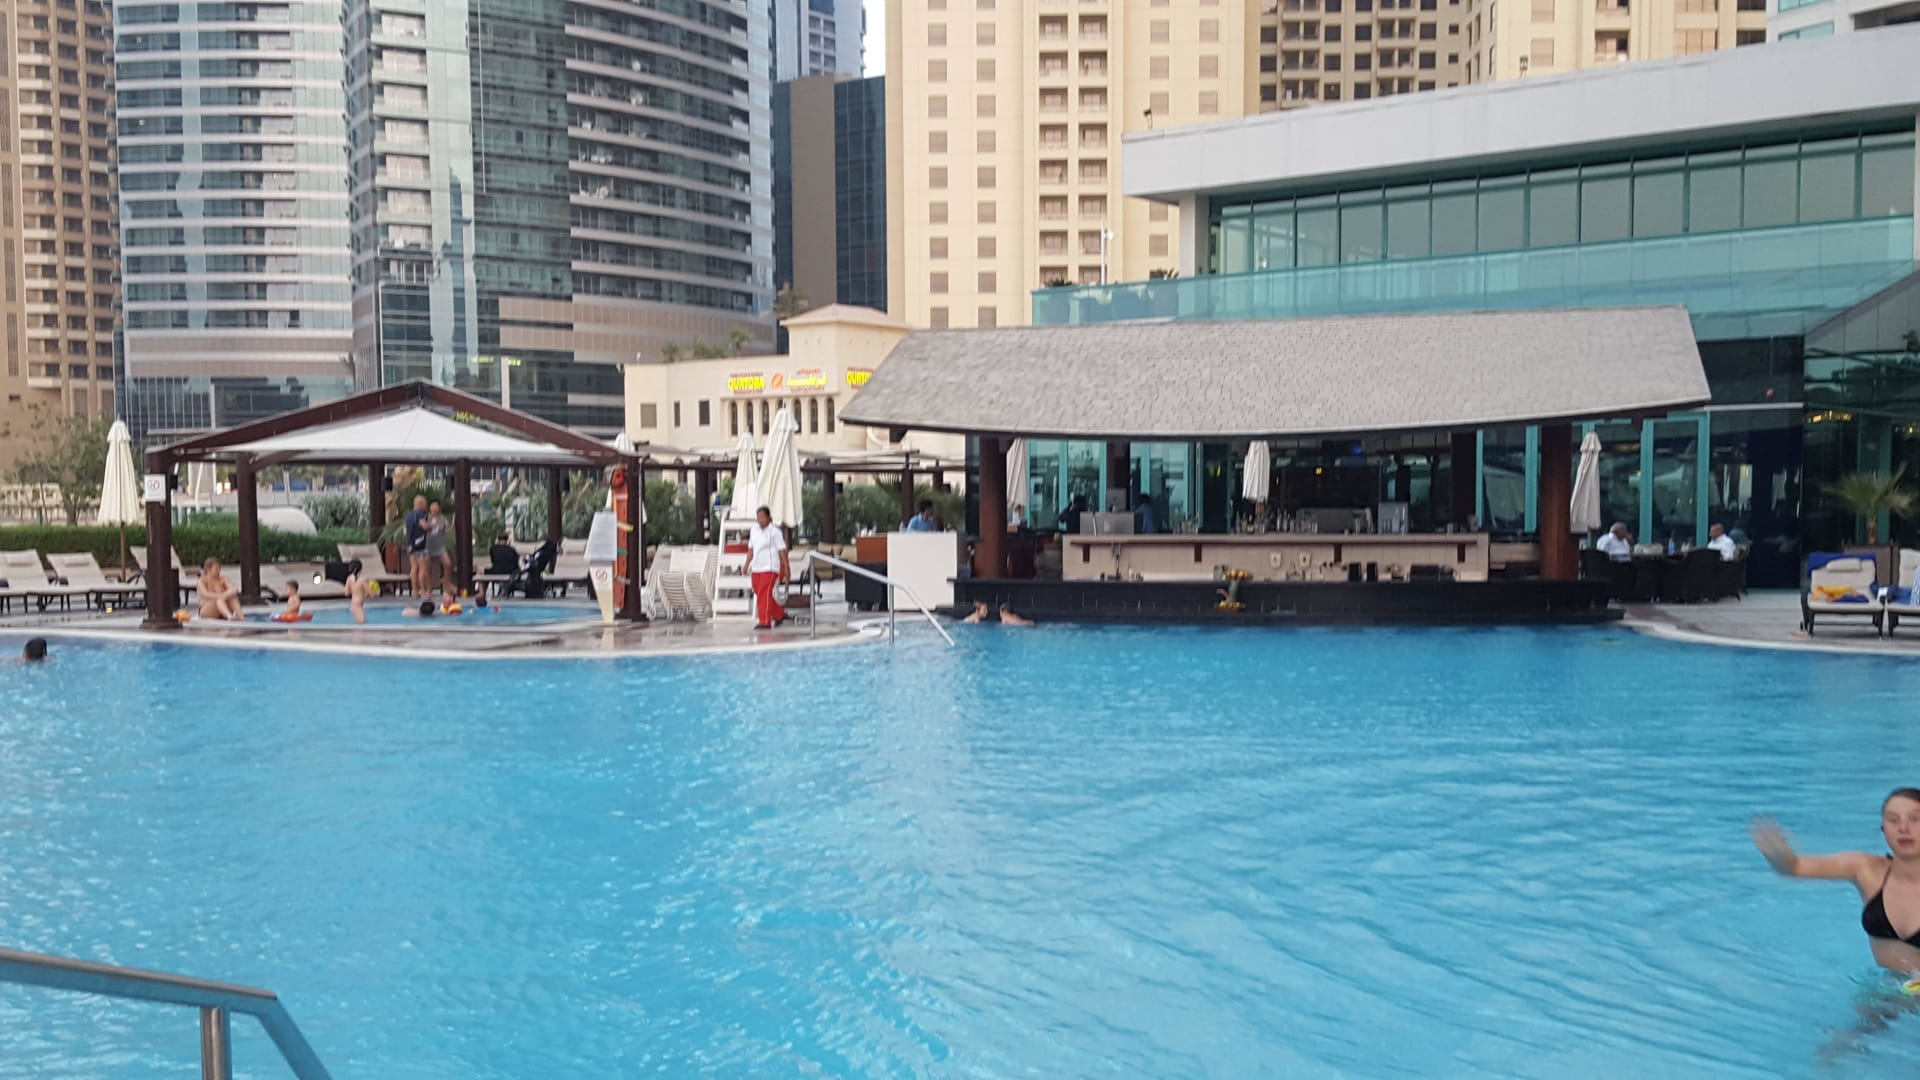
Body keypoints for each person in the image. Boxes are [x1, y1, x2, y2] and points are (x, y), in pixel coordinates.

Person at [1751, 789, 1920, 973]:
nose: (1903, 828)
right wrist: (1776, 853)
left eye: (1915, 819)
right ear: (1883, 829)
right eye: (1893, 820)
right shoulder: (1865, 869)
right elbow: (1794, 868)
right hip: (1883, 987)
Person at [748, 505, 788, 630]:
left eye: (763, 517)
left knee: (763, 592)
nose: (760, 520)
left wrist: (785, 567)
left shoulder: (775, 532)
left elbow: (782, 550)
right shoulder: (754, 530)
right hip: (757, 566)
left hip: (770, 567)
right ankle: (779, 613)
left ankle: (765, 621)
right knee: (758, 590)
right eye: (758, 517)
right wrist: (746, 564)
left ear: (769, 518)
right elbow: (751, 549)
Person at [424, 500, 453, 593]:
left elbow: (445, 530)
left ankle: (446, 582)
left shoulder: (443, 519)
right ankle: (429, 588)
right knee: (428, 568)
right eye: (433, 506)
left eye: (436, 506)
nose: (435, 508)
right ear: (430, 508)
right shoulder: (425, 517)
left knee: (448, 563)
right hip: (427, 547)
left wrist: (451, 528)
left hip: (439, 546)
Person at [404, 494, 430, 596]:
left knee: (414, 567)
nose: (425, 506)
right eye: (425, 504)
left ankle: (415, 591)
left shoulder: (409, 515)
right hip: (419, 544)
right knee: (423, 568)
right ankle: (423, 591)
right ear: (420, 504)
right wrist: (432, 526)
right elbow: (424, 526)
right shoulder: (419, 514)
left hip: (410, 544)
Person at [345, 560, 369, 625]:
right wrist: (377, 591)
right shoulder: (362, 580)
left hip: (353, 605)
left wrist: (355, 591)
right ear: (361, 569)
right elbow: (371, 593)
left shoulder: (349, 578)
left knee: (359, 624)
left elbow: (347, 593)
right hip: (358, 606)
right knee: (363, 624)